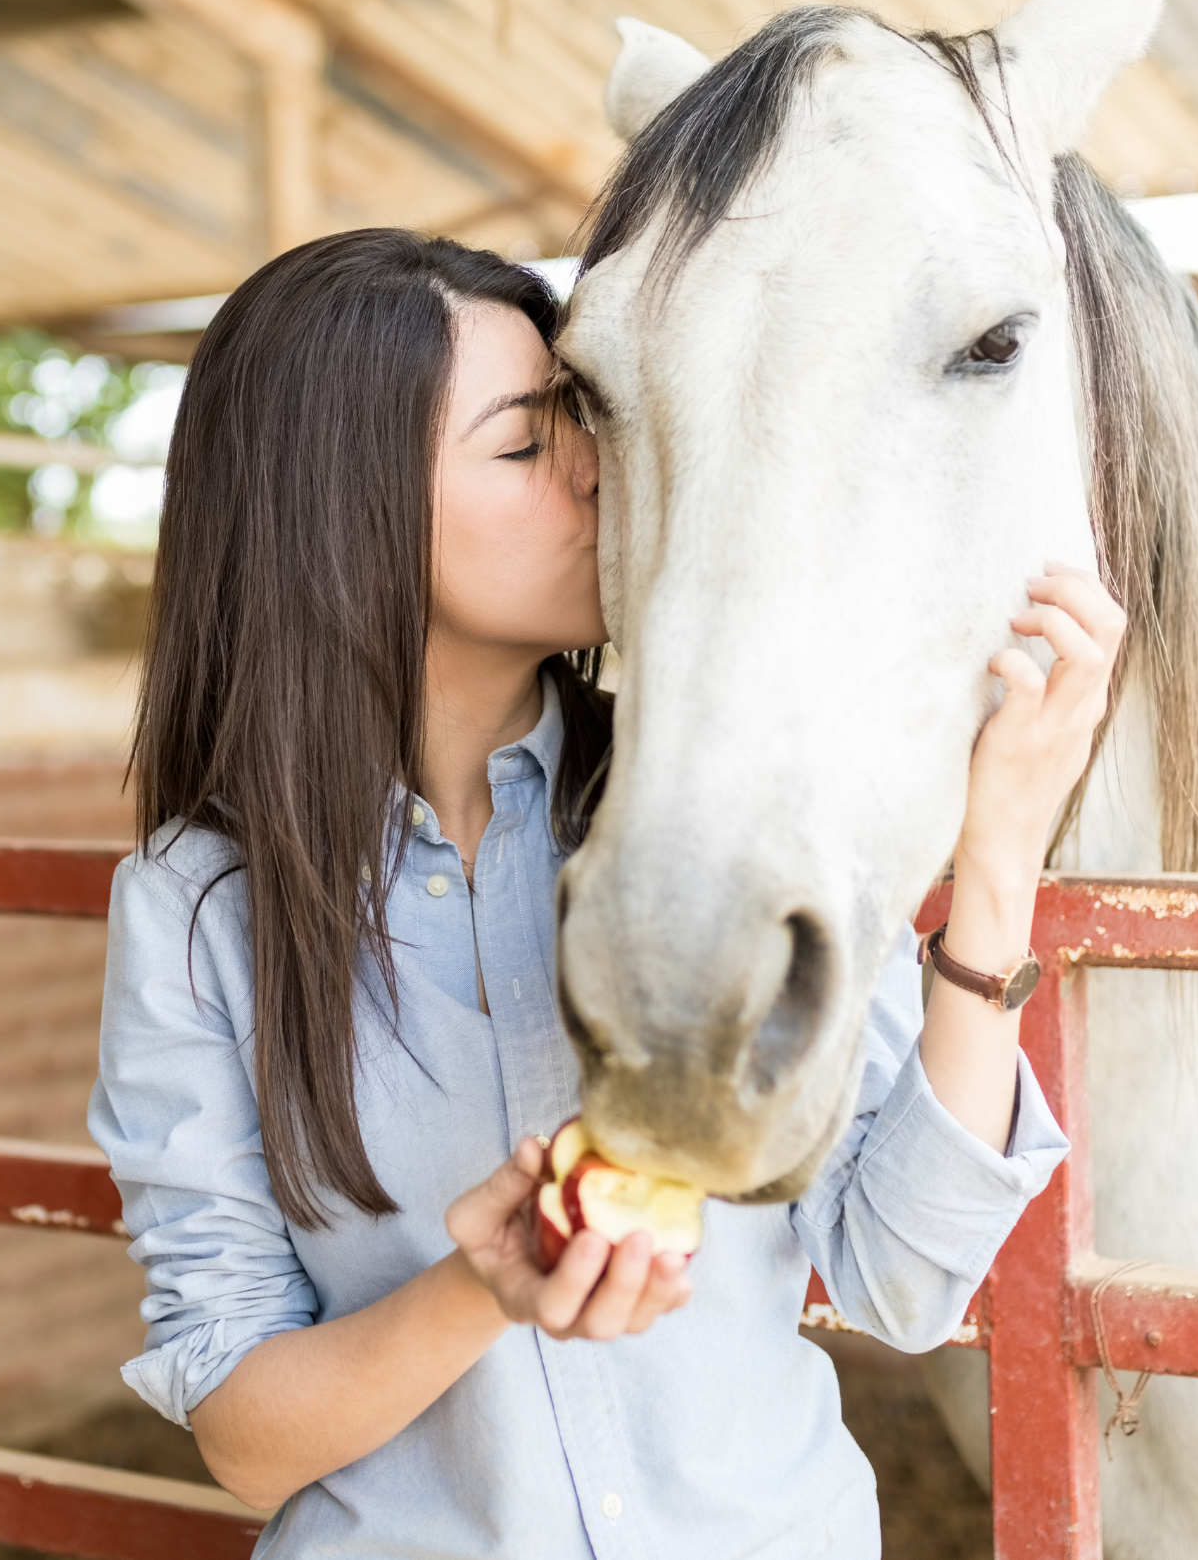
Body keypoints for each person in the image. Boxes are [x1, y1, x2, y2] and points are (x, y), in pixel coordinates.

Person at [90, 228, 1126, 1558]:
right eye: (527, 445)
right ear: (342, 514)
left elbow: (904, 1275)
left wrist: (998, 851)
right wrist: (486, 1285)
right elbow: (246, 1442)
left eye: (582, 421)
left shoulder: (727, 803)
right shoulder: (197, 914)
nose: (599, 469)